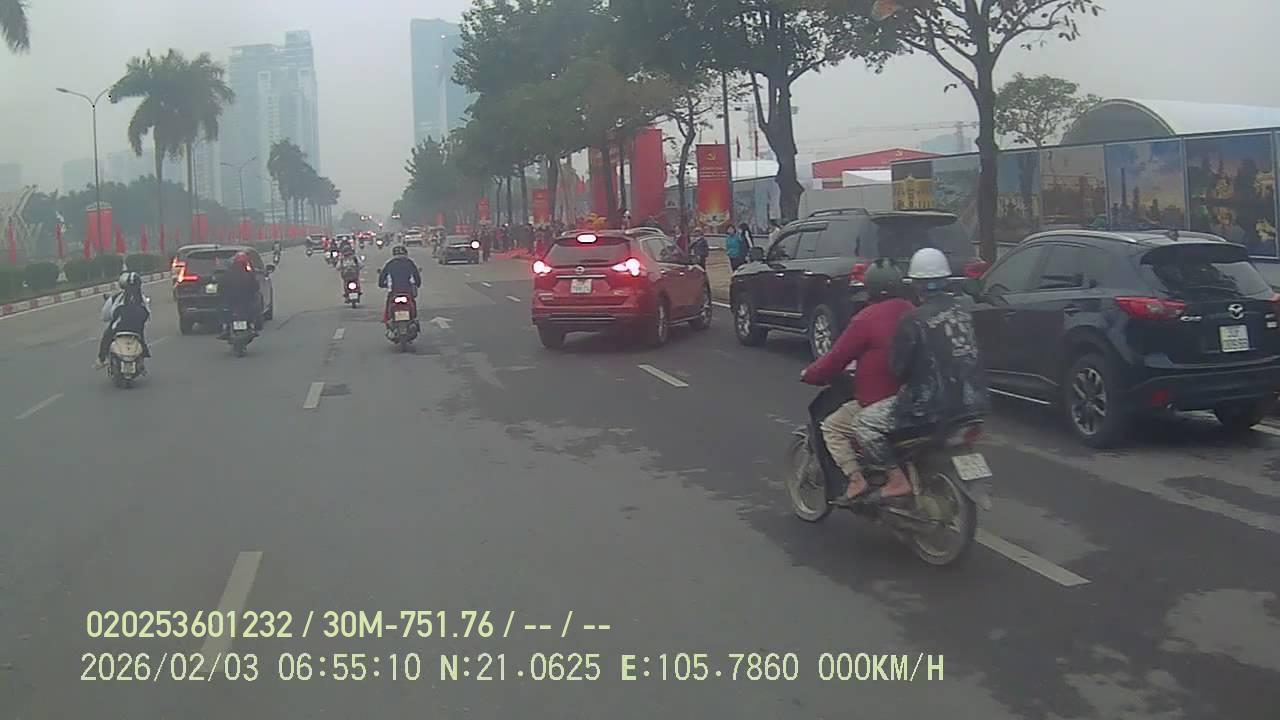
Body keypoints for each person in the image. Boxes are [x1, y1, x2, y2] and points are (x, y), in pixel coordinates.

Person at [850, 248, 990, 501]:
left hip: (930, 407)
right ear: (946, 279)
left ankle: (896, 479)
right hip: (975, 403)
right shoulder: (964, 312)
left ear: (915, 284)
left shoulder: (913, 320)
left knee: (864, 423)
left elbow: (898, 368)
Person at [801, 260, 915, 505]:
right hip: (913, 397)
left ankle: (856, 480)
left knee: (832, 427)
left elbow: (836, 358)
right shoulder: (912, 310)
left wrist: (811, 373)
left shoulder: (866, 319)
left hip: (879, 400)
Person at [96, 272, 151, 368]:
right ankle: (144, 355)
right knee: (141, 338)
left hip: (118, 329)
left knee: (107, 336)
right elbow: (147, 315)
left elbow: (105, 316)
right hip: (137, 330)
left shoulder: (116, 298)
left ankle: (101, 359)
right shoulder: (142, 299)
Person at [217, 251, 260, 339]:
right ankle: (252, 327)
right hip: (245, 301)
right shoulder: (249, 274)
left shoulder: (227, 274)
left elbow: (220, 288)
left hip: (231, 301)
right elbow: (256, 287)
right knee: (253, 309)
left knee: (222, 310)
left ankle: (225, 328)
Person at [378, 244, 423, 322]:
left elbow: (382, 278)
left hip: (394, 291)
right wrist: (417, 284)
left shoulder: (390, 264)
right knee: (412, 303)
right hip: (407, 290)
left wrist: (382, 284)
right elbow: (416, 277)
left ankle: (387, 319)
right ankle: (413, 318)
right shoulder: (410, 263)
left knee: (389, 303)